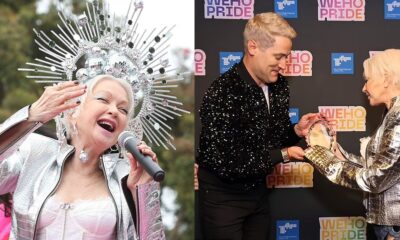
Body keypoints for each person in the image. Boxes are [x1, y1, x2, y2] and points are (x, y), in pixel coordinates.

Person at [196, 12, 319, 239]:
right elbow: (230, 161)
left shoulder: (279, 86)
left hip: (259, 194)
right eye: (278, 56)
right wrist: (283, 155)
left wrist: (295, 131)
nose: (284, 65)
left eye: (287, 57)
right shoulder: (222, 92)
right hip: (223, 198)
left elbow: (275, 136)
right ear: (253, 47)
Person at [0, 75, 165, 239]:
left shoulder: (127, 178)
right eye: (103, 99)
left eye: (123, 110)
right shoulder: (34, 151)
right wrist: (30, 116)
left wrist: (144, 191)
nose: (114, 111)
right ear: (73, 112)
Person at [305, 49, 400, 240]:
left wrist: (324, 159)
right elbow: (380, 169)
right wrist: (335, 151)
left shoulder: (398, 116)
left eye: (367, 80)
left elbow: (376, 179)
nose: (363, 88)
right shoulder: (390, 114)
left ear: (387, 79)